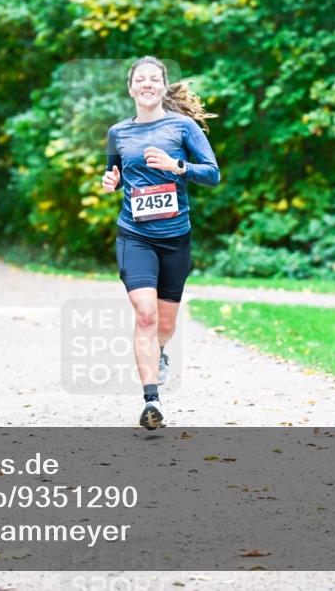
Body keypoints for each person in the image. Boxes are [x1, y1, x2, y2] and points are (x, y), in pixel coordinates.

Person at [100, 56, 220, 430]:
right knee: (146, 314)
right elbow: (115, 172)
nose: (148, 84)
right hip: (134, 234)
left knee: (164, 324)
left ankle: (161, 351)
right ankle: (151, 400)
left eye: (155, 78)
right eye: (141, 79)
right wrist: (111, 182)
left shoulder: (183, 128)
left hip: (175, 237)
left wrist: (176, 167)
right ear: (131, 88)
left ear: (163, 86)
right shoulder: (118, 132)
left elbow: (213, 174)